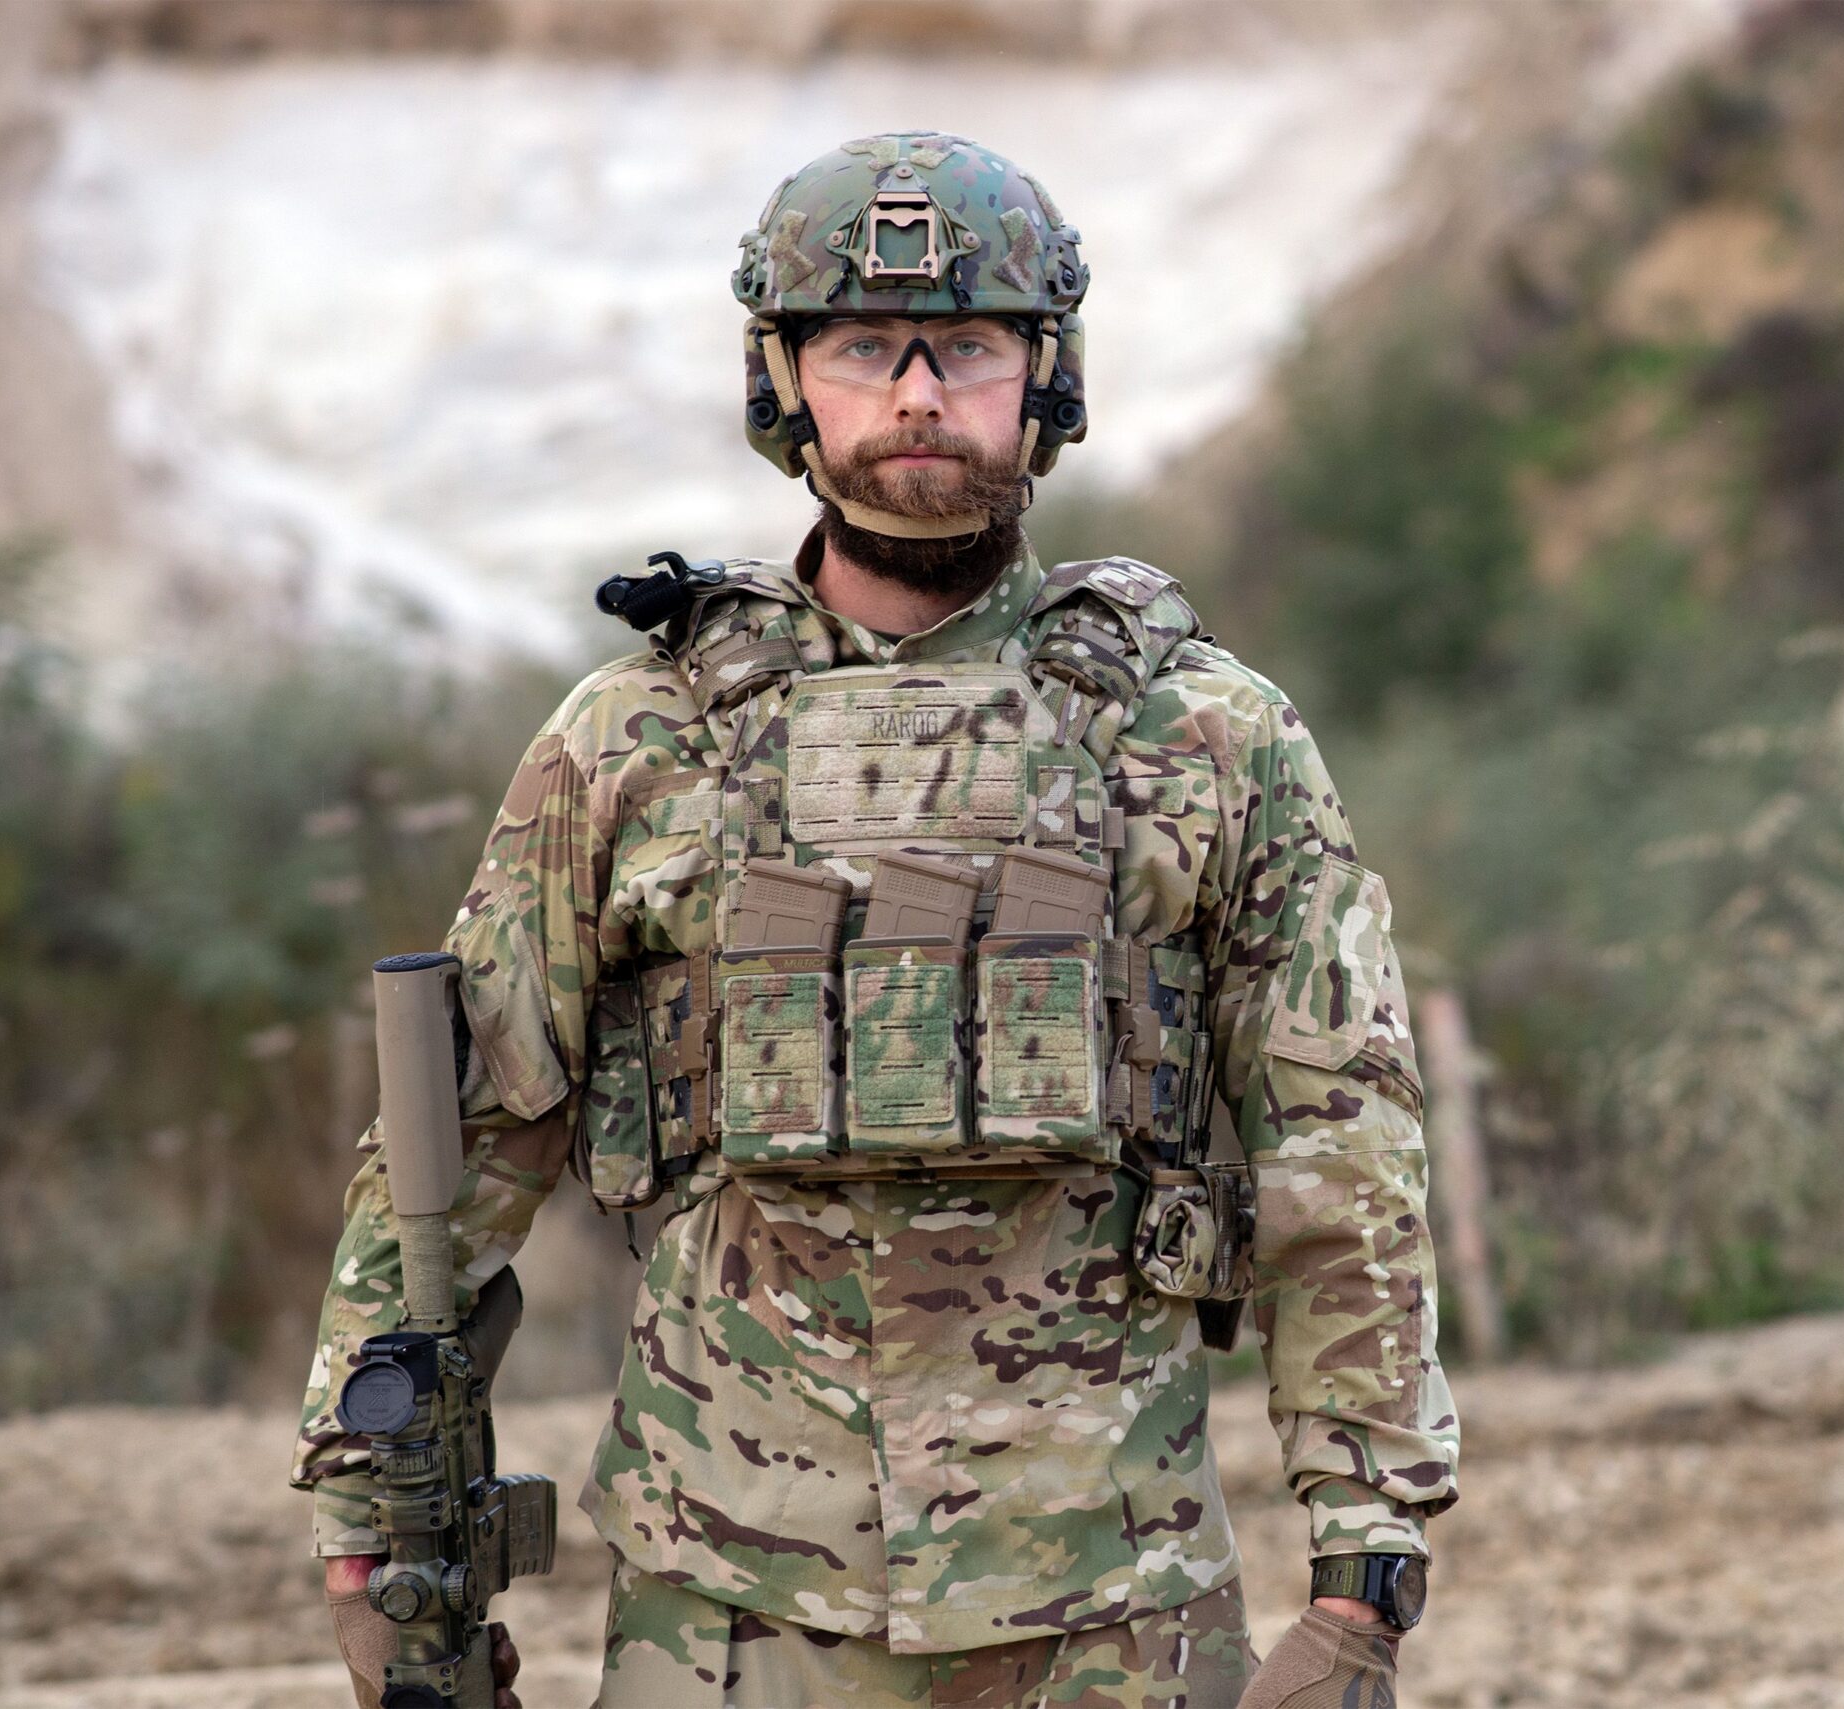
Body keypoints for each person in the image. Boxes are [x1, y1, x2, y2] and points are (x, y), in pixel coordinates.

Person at [295, 131, 1457, 1708]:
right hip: (729, 1602)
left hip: (1111, 1595)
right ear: (784, 382)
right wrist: (371, 1542)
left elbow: (1344, 1151)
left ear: (1047, 377)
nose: (919, 394)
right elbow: (462, 1147)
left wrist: (1365, 1572)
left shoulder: (1208, 734)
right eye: (863, 346)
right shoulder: (633, 740)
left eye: (968, 344)